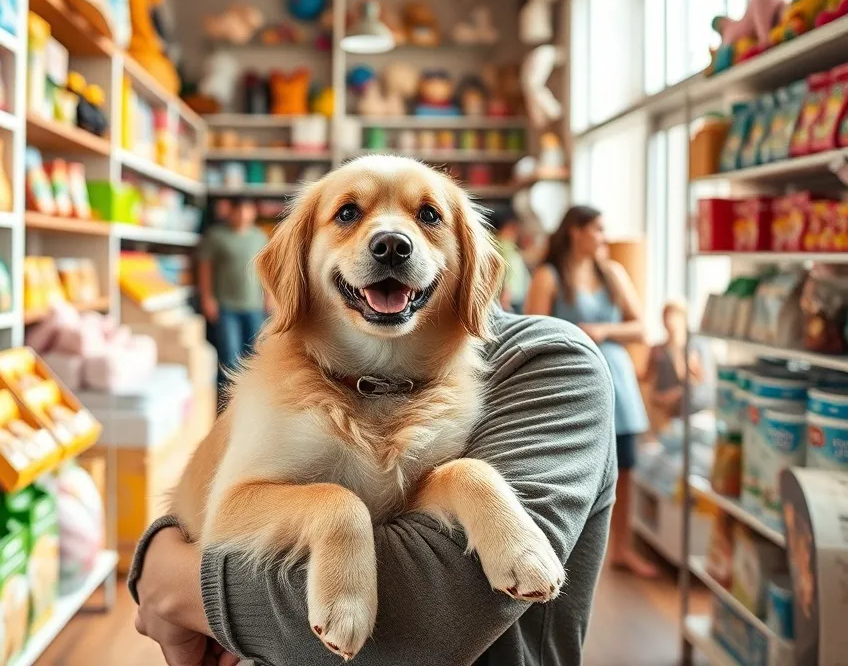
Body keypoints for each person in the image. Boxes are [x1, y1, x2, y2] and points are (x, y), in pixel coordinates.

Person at [128, 311, 617, 665]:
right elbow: (226, 511)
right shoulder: (283, 377)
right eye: (348, 214)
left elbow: (430, 629)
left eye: (428, 216)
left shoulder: (550, 360)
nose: (390, 238)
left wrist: (172, 583)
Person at [524, 205, 656, 579]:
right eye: (597, 229)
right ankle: (561, 546)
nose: (603, 236)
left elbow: (641, 327)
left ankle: (622, 549)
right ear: (575, 232)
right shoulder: (549, 277)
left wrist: (602, 331)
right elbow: (533, 335)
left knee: (626, 465)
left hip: (618, 380)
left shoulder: (612, 273)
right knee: (565, 467)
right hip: (570, 384)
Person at [199, 199, 269, 381]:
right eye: (239, 210)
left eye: (248, 210)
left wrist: (269, 296)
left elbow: (265, 269)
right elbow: (205, 268)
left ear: (253, 212)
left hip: (254, 306)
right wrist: (207, 298)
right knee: (229, 358)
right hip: (226, 308)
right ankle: (226, 406)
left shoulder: (259, 236)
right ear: (231, 211)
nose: (244, 214)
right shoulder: (216, 236)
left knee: (255, 357)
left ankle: (250, 401)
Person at [643, 300, 714, 425]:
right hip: (668, 414)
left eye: (674, 317)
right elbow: (649, 383)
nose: (670, 321)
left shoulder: (696, 347)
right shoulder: (658, 351)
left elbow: (696, 381)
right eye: (667, 317)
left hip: (695, 414)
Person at [491, 203, 531, 312]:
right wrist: (506, 295)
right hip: (510, 301)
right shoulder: (505, 245)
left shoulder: (493, 245)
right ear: (510, 226)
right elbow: (506, 269)